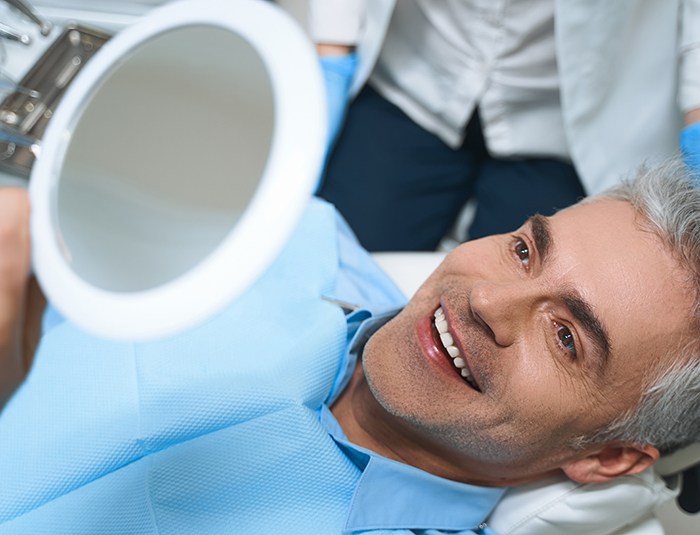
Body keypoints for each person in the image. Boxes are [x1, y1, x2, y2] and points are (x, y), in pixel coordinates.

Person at [0, 159, 699, 532]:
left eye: (566, 336)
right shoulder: (285, 236)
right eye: (523, 250)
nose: (486, 300)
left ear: (606, 456)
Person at [313, 0, 700, 251]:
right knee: (334, 270)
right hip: (415, 78)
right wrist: (330, 47)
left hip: (562, 124)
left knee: (515, 323)